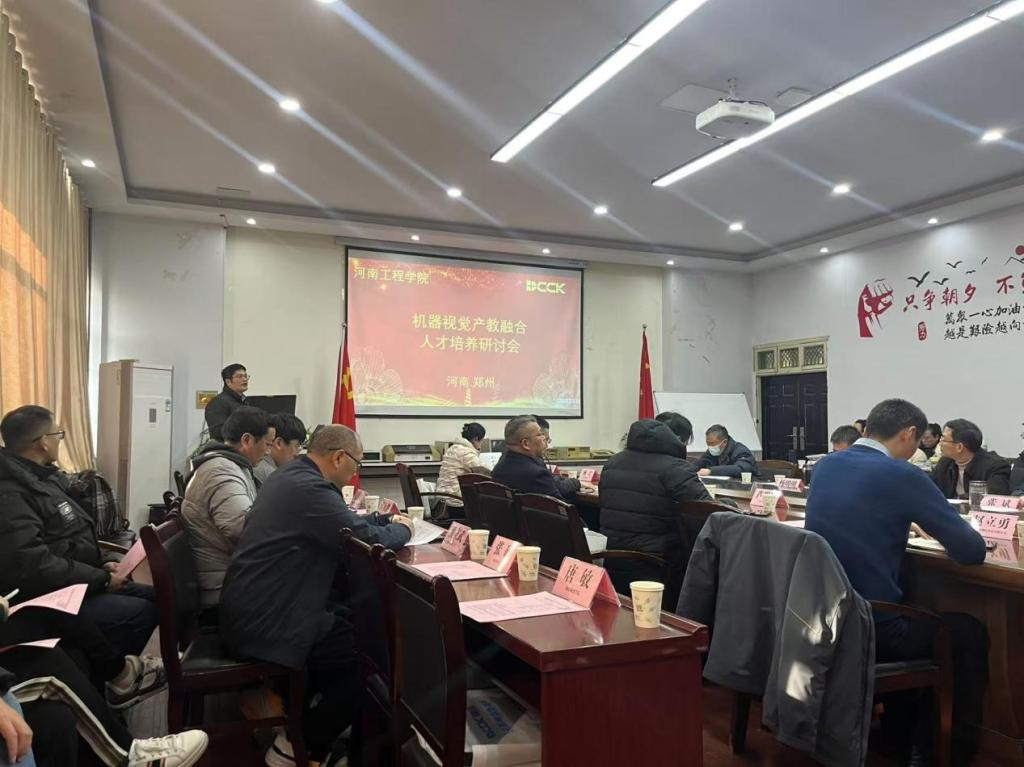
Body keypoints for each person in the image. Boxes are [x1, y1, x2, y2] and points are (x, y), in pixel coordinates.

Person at [805, 399, 988, 764]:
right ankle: (939, 751)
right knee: (968, 631)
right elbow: (971, 550)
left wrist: (906, 518)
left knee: (915, 606)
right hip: (874, 626)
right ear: (909, 434)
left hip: (824, 617)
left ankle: (895, 737)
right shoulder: (902, 474)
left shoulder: (826, 465)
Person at [220, 425, 412, 765]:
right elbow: (364, 539)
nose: (356, 471)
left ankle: (312, 726)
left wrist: (385, 520)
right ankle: (299, 746)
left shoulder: (293, 476)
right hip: (269, 619)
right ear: (339, 458)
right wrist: (403, 530)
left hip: (259, 605)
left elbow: (346, 524)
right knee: (370, 663)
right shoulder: (310, 488)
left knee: (353, 626)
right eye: (357, 463)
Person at [0, 406, 157, 658]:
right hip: (48, 598)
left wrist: (102, 562)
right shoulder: (11, 492)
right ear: (43, 442)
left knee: (159, 597)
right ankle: (111, 672)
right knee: (141, 611)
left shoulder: (43, 479)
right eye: (58, 434)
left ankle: (116, 666)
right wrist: (100, 579)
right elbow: (34, 564)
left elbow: (70, 535)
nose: (60, 441)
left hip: (76, 580)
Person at [599, 414, 712, 603]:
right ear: (676, 440)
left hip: (612, 557)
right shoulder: (675, 468)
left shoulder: (612, 463)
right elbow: (706, 508)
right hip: (656, 563)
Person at [181, 407, 274, 608]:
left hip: (230, 573)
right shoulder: (221, 471)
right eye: (267, 444)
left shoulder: (229, 465)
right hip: (224, 585)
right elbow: (242, 529)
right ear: (247, 440)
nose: (268, 452)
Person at [931, 418, 1011, 499]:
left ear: (959, 447)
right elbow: (930, 488)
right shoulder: (945, 463)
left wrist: (959, 500)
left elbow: (992, 496)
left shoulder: (995, 466)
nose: (939, 444)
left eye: (943, 440)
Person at [491, 416, 567, 499]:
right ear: (525, 444)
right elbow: (558, 505)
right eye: (540, 434)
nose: (544, 438)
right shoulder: (538, 475)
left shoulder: (498, 468)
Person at [433, 423, 491, 513]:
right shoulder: (466, 452)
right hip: (456, 501)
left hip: (442, 499)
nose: (481, 445)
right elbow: (485, 472)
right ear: (476, 439)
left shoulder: (452, 449)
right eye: (481, 441)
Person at [532, 415, 584, 498]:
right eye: (544, 440)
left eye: (547, 441)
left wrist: (564, 479)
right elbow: (559, 487)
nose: (546, 446)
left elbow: (551, 479)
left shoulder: (513, 462)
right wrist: (578, 483)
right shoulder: (534, 470)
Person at [254, 414, 307, 485]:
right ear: (278, 443)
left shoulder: (259, 465)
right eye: (296, 446)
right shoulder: (273, 476)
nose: (297, 454)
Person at [204, 363, 250, 442]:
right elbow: (219, 431)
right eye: (240, 376)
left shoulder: (245, 401)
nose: (244, 379)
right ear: (228, 382)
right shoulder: (217, 403)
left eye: (245, 376)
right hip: (227, 448)